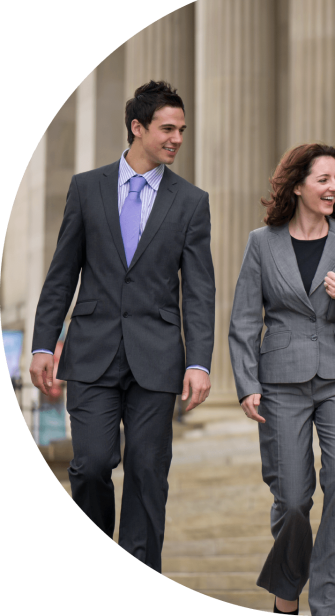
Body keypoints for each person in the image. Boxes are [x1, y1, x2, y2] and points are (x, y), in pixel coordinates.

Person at [29, 81, 216, 573]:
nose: (177, 138)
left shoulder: (192, 202)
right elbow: (61, 273)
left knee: (148, 472)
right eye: (167, 129)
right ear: (137, 127)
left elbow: (199, 290)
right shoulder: (86, 188)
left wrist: (198, 360)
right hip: (92, 351)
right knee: (90, 466)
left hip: (157, 359)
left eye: (181, 130)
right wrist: (42, 344)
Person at [229, 144, 335, 616]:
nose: (334, 187)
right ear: (297, 185)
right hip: (279, 382)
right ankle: (287, 588)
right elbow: (241, 321)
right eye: (323, 179)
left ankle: (331, 606)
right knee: (294, 499)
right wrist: (246, 382)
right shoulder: (262, 242)